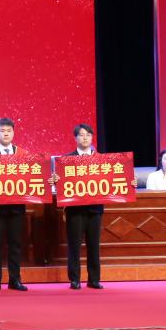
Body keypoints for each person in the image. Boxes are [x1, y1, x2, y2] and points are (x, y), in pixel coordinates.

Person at [0, 117, 27, 292]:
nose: (6, 134)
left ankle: (15, 280)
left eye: (9, 131)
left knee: (15, 244)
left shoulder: (23, 155)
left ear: (13, 133)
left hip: (16, 208)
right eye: (2, 131)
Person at [60, 123, 104, 290]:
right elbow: (62, 183)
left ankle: (94, 279)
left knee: (94, 246)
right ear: (76, 138)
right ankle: (74, 279)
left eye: (88, 135)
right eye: (81, 135)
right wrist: (56, 179)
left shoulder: (102, 160)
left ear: (92, 138)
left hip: (95, 209)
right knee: (74, 246)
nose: (85, 138)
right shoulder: (66, 160)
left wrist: (130, 182)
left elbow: (111, 180)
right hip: (75, 210)